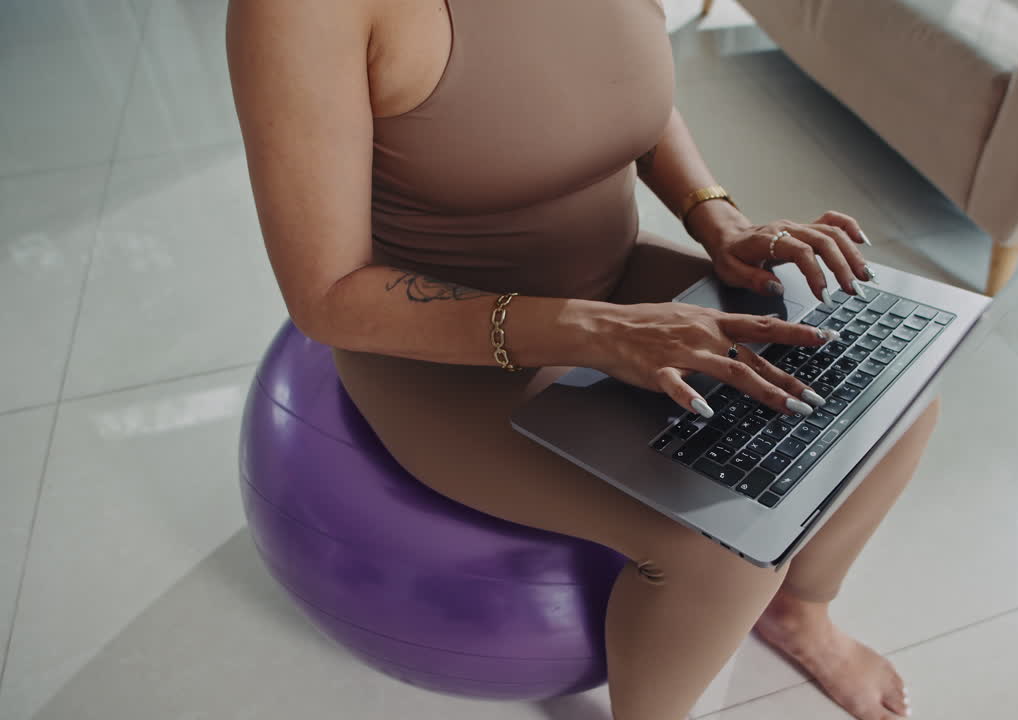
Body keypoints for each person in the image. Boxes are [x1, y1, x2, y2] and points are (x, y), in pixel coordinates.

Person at [226, 1, 939, 718]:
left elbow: (619, 92)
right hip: (441, 351)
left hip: (616, 282)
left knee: (896, 395)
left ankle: (800, 614)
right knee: (721, 543)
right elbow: (329, 296)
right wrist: (594, 332)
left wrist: (719, 221)